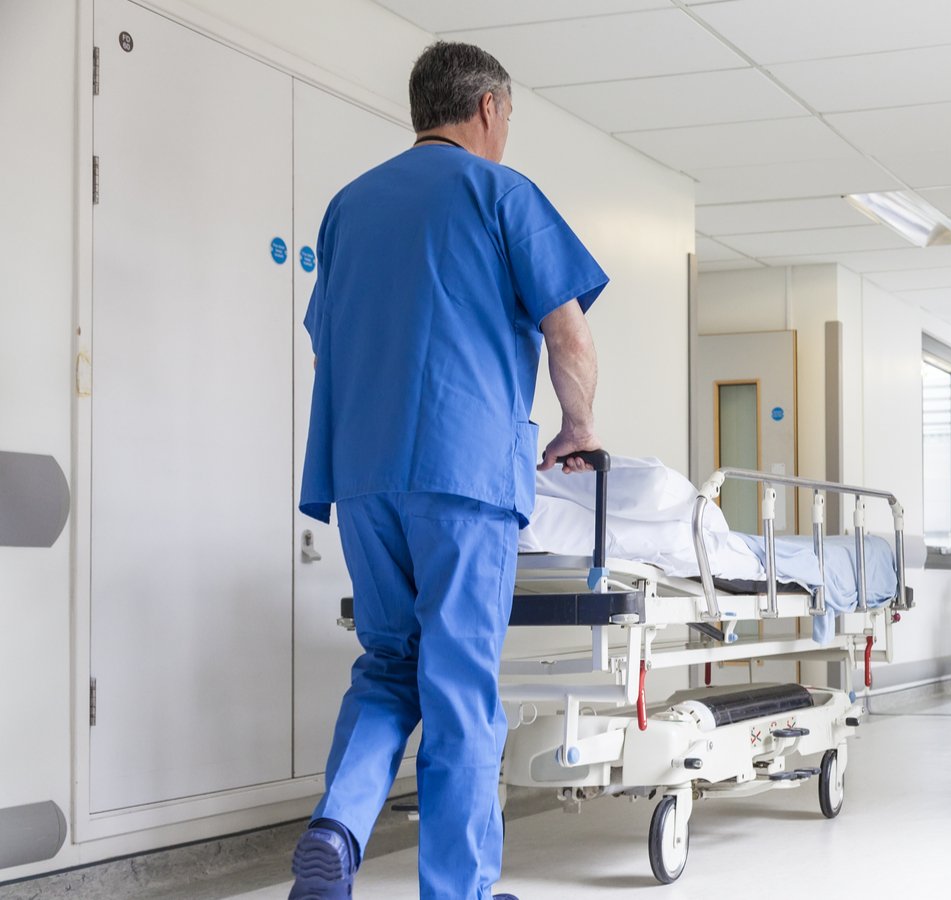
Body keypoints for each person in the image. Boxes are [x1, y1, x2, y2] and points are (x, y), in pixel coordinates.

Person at [290, 42, 609, 900]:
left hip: (361, 475)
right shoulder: (503, 192)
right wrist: (577, 427)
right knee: (460, 678)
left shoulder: (348, 207)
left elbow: (328, 353)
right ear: (491, 109)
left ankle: (338, 829)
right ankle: (459, 890)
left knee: (390, 663)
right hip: (463, 478)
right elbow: (568, 333)